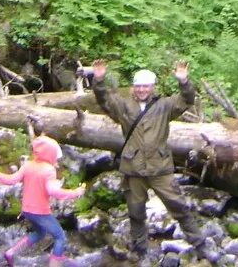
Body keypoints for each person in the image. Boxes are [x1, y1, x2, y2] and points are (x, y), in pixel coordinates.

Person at [87, 60, 220, 263]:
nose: (142, 90)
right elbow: (103, 98)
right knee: (136, 212)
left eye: (146, 86)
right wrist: (98, 79)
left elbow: (187, 99)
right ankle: (139, 250)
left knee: (179, 207)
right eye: (138, 86)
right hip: (133, 168)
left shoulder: (164, 105)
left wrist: (184, 80)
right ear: (133, 87)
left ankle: (201, 246)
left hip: (160, 168)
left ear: (152, 87)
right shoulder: (123, 106)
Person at [0, 134, 86, 266]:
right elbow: (53, 191)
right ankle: (55, 264)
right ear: (50, 154)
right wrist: (75, 193)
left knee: (40, 233)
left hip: (27, 210)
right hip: (40, 212)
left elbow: (12, 180)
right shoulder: (49, 170)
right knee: (60, 236)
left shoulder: (28, 165)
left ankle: (11, 252)